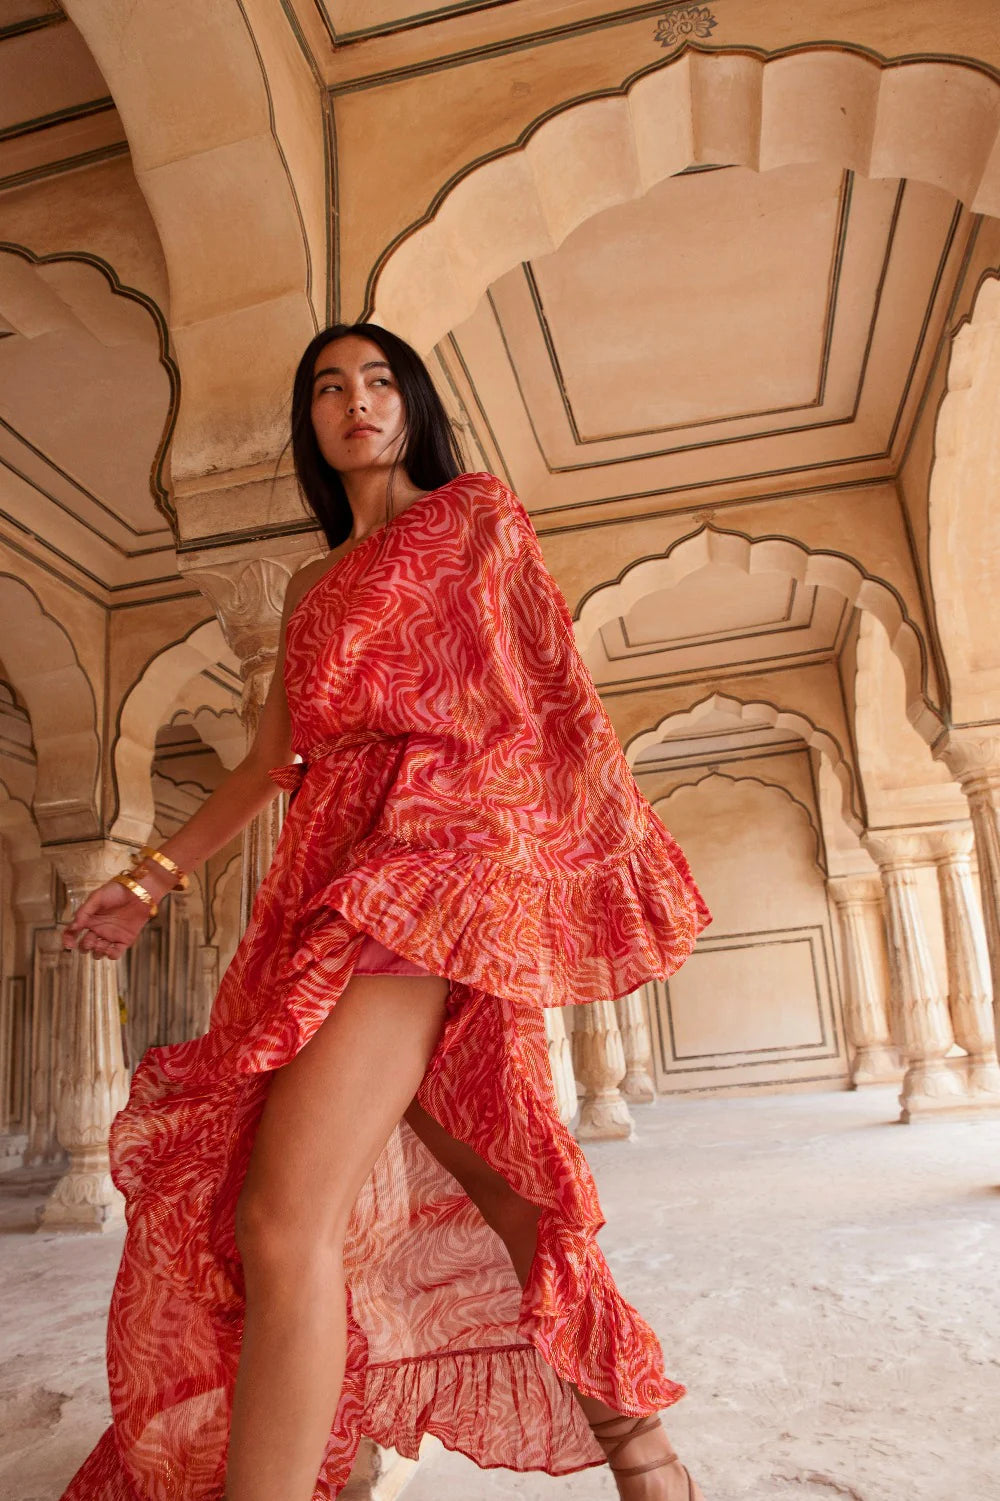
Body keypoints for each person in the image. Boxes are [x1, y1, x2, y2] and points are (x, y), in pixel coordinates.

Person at [60, 323, 711, 1501]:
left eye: (377, 381)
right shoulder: (311, 584)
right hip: (320, 879)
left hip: (427, 869)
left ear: (410, 402)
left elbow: (550, 700)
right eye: (326, 388)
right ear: (310, 423)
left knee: (279, 1217)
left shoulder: (475, 517)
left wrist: (523, 876)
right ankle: (647, 1459)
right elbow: (272, 759)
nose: (355, 401)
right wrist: (150, 877)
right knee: (499, 1181)